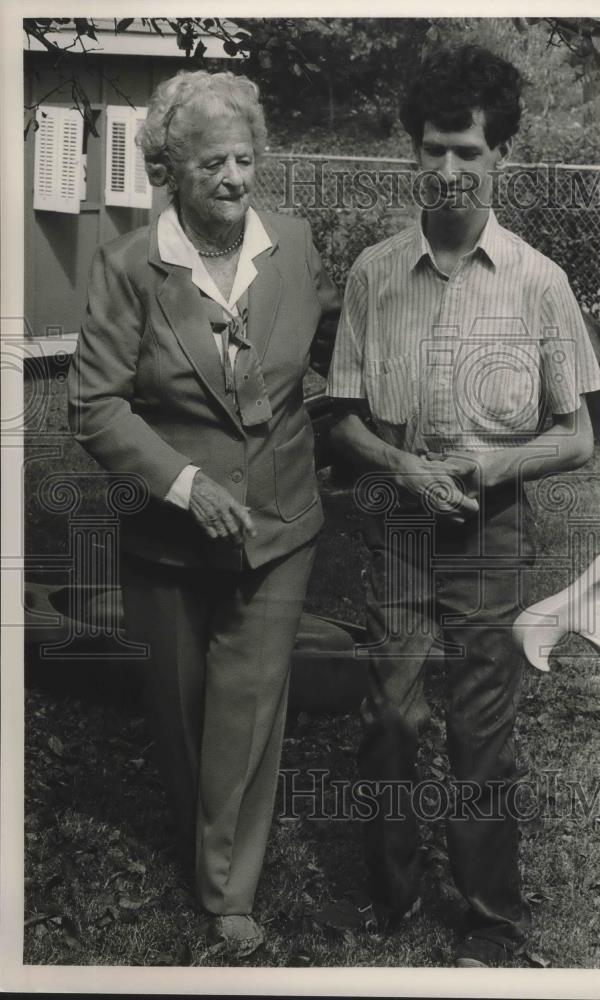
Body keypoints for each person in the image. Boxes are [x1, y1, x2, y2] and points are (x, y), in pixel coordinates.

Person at [326, 44, 600, 967]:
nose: (449, 169)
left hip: (491, 532)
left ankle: (491, 918)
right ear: (414, 150)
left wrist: (490, 463)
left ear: (502, 161)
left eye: (469, 153)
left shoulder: (539, 283)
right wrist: (397, 467)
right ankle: (394, 897)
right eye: (434, 148)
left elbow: (578, 439)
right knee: (393, 717)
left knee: (480, 727)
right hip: (399, 527)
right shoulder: (372, 274)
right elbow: (344, 421)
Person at [67, 70, 340, 956]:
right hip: (169, 533)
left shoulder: (293, 246)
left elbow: (307, 377)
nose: (234, 178)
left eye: (246, 159)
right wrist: (186, 483)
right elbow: (95, 405)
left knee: (250, 704)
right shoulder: (127, 267)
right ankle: (205, 835)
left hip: (281, 522)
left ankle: (229, 887)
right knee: (181, 712)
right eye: (213, 162)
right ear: (169, 170)